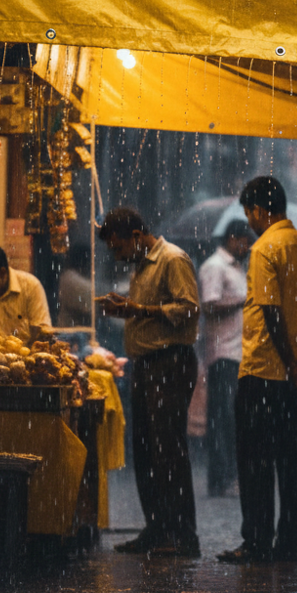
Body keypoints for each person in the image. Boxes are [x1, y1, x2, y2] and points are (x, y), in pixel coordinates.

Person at [219, 176, 297, 564]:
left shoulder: (264, 249)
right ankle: (290, 542)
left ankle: (257, 541)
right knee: (292, 458)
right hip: (296, 378)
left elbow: (270, 310)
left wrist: (290, 364)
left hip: (263, 371)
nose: (249, 221)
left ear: (258, 209)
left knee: (255, 460)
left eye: (249, 213)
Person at [96, 207, 201, 557]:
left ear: (136, 237)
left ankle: (182, 536)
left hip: (169, 363)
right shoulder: (142, 266)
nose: (117, 255)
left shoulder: (172, 259)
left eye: (118, 247)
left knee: (168, 451)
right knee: (145, 450)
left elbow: (188, 308)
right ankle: (157, 529)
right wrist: (128, 308)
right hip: (146, 364)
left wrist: (140, 311)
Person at [199, 219, 253, 496]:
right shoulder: (214, 267)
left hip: (237, 353)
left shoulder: (236, 267)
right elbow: (209, 305)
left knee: (231, 419)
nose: (247, 248)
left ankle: (228, 477)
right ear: (233, 238)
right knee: (222, 419)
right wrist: (243, 301)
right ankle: (221, 479)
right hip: (222, 354)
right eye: (245, 242)